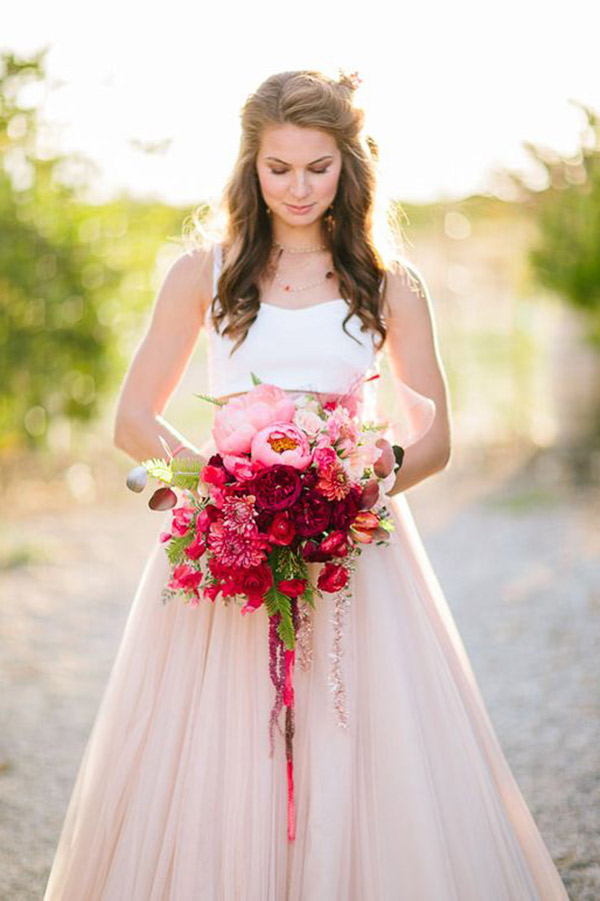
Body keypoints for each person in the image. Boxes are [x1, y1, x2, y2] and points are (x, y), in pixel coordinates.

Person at [44, 69, 569, 900]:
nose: (297, 187)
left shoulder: (390, 285)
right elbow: (132, 418)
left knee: (354, 737)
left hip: (355, 550)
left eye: (317, 167)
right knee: (226, 745)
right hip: (229, 547)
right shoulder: (203, 274)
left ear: (350, 167)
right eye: (278, 166)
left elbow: (435, 438)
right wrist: (216, 490)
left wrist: (365, 483)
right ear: (250, 165)